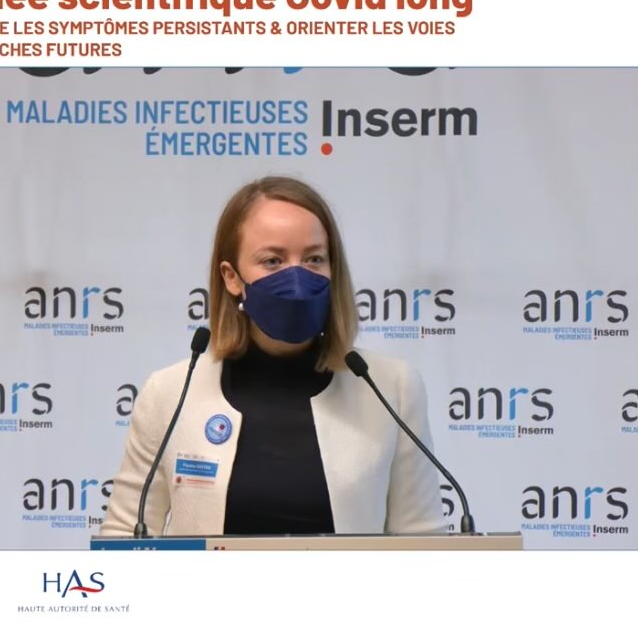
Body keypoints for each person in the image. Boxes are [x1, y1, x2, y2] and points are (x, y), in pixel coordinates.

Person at [100, 176, 446, 537]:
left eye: (314, 259)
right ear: (232, 278)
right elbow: (124, 534)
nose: (297, 278)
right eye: (273, 261)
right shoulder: (170, 393)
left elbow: (423, 541)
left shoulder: (392, 388)